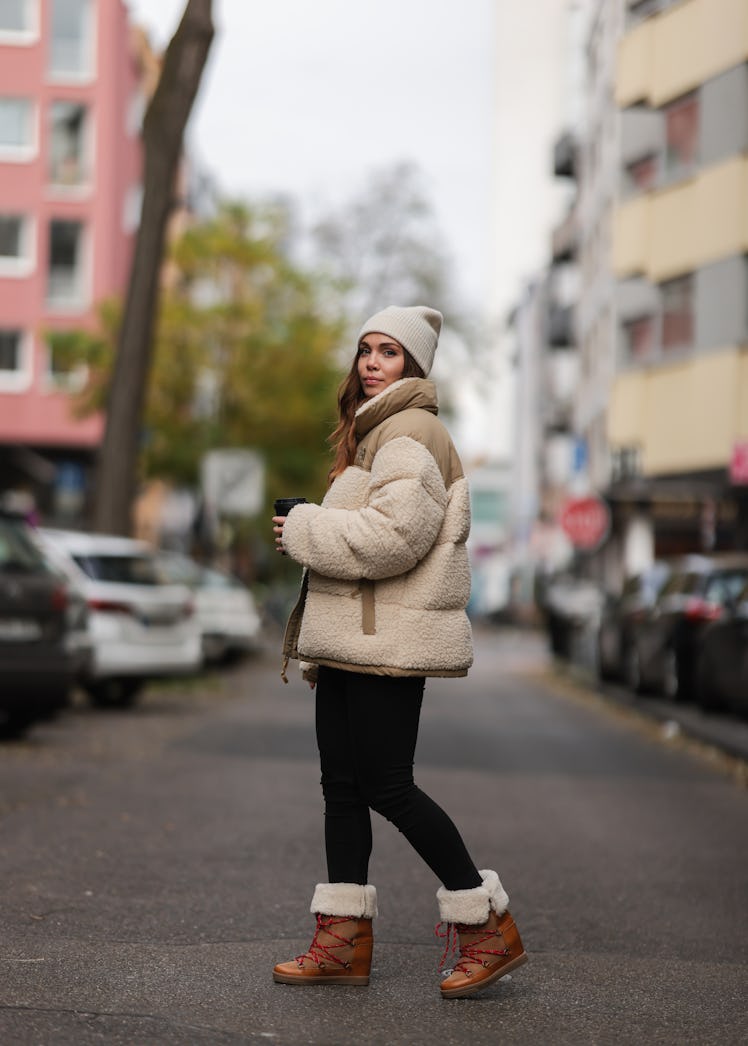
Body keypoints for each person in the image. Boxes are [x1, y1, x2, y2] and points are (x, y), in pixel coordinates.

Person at [271, 305, 527, 999]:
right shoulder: (373, 433)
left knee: (387, 786)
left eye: (389, 351)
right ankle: (341, 943)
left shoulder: (411, 431)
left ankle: (485, 926)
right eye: (365, 349)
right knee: (343, 789)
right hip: (354, 640)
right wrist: (312, 524)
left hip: (388, 642)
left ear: (414, 366)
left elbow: (393, 539)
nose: (372, 361)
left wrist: (303, 526)